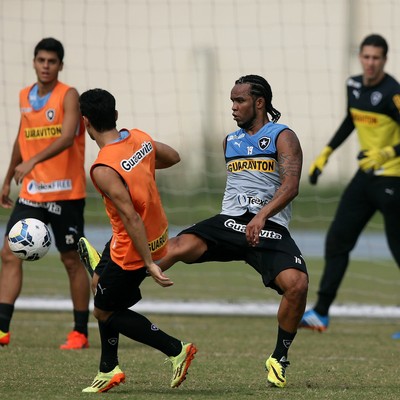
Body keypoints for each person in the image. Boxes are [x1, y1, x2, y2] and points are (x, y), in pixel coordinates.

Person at [159, 74, 308, 388]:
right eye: (231, 101)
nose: (233, 107)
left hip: (268, 227)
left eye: (239, 101)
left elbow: (290, 186)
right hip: (230, 223)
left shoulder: (283, 136)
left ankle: (278, 359)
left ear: (259, 102)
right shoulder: (230, 141)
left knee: (297, 285)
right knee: (174, 248)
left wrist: (262, 216)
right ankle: (114, 274)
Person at [78, 88, 197, 393]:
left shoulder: (103, 167)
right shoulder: (139, 138)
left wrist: (149, 265)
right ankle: (108, 368)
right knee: (99, 284)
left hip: (132, 246)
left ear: (85, 122)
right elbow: (173, 156)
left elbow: (131, 217)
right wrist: (140, 162)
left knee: (104, 311)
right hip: (154, 232)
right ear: (116, 115)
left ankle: (176, 349)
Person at [299, 34, 400, 337]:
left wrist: (386, 152)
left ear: (384, 60)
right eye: (366, 57)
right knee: (337, 240)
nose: (370, 63)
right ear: (360, 57)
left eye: (376, 58)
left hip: (393, 179)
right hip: (365, 177)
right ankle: (321, 312)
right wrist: (326, 154)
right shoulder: (353, 86)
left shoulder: (393, 93)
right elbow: (350, 121)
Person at [0, 38, 91, 349]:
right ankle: (2, 329)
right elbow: (22, 137)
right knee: (9, 254)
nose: (46, 66)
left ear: (60, 65)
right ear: (35, 62)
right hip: (32, 191)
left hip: (66, 193)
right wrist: (9, 175)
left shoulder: (69, 95)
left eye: (52, 61)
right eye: (41, 60)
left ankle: (80, 331)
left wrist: (32, 161)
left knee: (70, 260)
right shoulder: (25, 96)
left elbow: (67, 137)